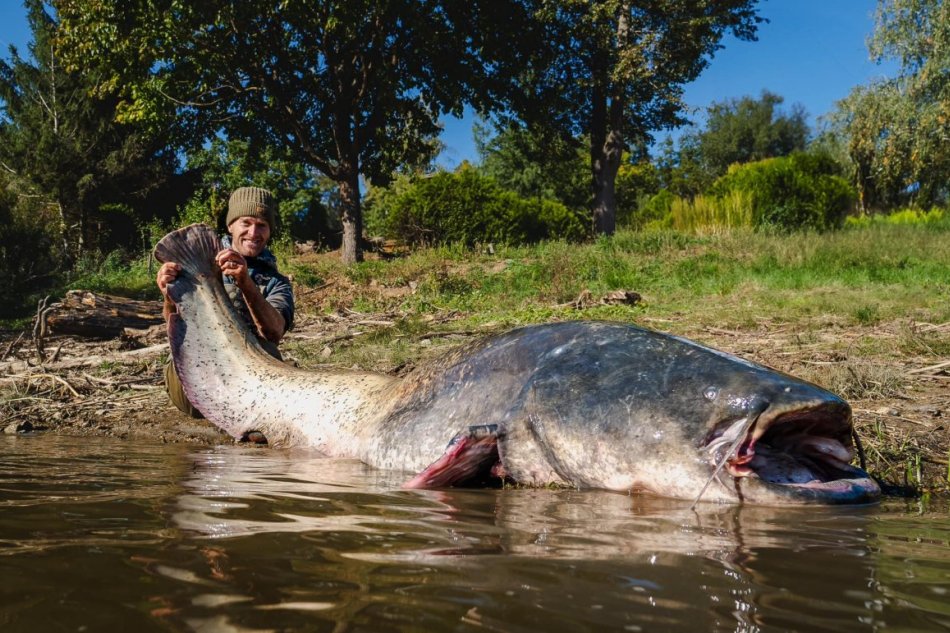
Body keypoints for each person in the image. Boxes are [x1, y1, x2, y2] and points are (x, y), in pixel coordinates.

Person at [157, 186, 295, 418]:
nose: (253, 232)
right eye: (246, 223)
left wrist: (245, 283)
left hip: (251, 376)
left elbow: (274, 332)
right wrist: (168, 295)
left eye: (262, 225)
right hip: (198, 373)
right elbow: (173, 321)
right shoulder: (197, 265)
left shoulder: (277, 282)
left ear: (270, 231)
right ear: (230, 225)